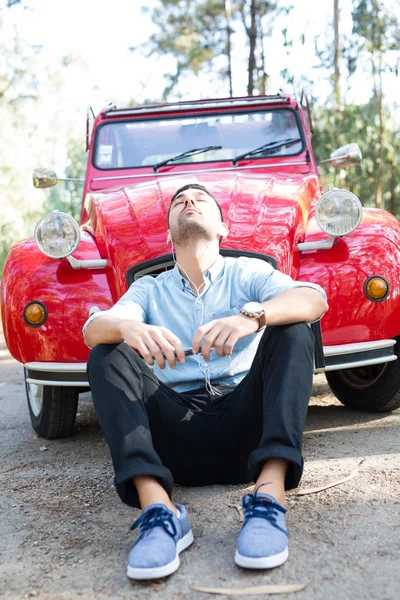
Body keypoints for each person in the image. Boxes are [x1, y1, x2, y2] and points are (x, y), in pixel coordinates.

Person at [83, 183, 328, 581]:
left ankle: (268, 498)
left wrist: (252, 317)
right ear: (169, 235)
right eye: (179, 201)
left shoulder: (249, 273)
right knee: (107, 352)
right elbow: (94, 330)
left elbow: (313, 300)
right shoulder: (149, 288)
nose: (189, 201)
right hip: (174, 439)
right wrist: (128, 327)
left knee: (295, 330)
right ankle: (159, 512)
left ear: (222, 228)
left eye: (200, 200)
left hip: (247, 428)